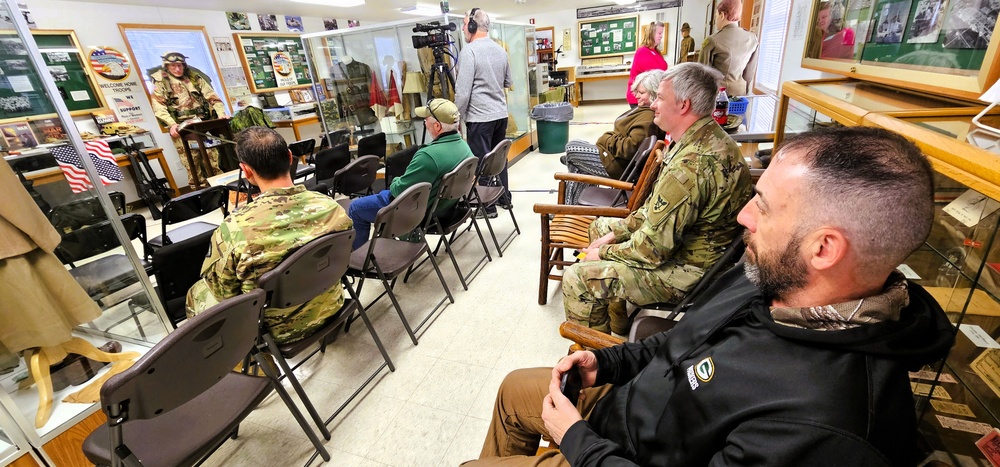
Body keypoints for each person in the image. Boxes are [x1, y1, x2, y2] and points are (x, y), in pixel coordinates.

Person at [466, 126, 955, 466]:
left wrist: (576, 442)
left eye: (762, 205)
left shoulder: (825, 430)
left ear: (823, 248)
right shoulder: (768, 279)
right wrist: (608, 365)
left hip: (614, 453)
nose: (743, 216)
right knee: (514, 389)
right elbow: (681, 340)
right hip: (621, 408)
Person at [563, 63, 752, 335]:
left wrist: (602, 252)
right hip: (688, 250)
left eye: (660, 98)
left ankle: (598, 363)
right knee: (601, 228)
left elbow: (652, 251)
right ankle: (617, 324)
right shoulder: (701, 138)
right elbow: (652, 210)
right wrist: (614, 235)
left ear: (683, 105)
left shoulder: (692, 165)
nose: (653, 104)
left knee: (577, 279)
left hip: (688, 272)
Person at [185, 127, 352, 345]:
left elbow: (224, 294)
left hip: (276, 332)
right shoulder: (331, 206)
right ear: (290, 157)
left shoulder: (235, 229)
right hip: (332, 306)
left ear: (246, 171)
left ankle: (253, 369)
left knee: (196, 292)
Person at [347, 98, 475, 250]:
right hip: (444, 207)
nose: (424, 123)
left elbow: (399, 191)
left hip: (416, 211)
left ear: (437, 126)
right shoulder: (464, 147)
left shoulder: (428, 156)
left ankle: (359, 258)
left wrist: (395, 180)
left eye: (426, 119)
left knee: (355, 208)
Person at [559, 69, 665, 205]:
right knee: (575, 150)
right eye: (637, 92)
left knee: (572, 149)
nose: (637, 96)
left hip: (617, 165)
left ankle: (568, 207)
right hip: (614, 158)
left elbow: (630, 148)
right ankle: (570, 207)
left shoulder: (647, 117)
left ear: (654, 92)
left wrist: (607, 138)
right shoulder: (645, 110)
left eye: (642, 93)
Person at [455, 7, 512, 218]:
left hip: (480, 118)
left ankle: (487, 207)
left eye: (464, 24)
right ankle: (505, 197)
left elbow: (462, 94)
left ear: (472, 26)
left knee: (481, 163)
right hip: (500, 115)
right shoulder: (501, 50)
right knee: (499, 159)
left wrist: (456, 119)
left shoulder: (468, 52)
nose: (462, 28)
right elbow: (508, 82)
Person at [150, 51, 229, 190]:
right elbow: (158, 107)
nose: (177, 69)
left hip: (203, 124)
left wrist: (221, 114)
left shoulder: (194, 77)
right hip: (182, 127)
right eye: (173, 66)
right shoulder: (161, 81)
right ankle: (200, 193)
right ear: (167, 67)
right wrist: (172, 124)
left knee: (213, 160)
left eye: (180, 65)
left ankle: (222, 190)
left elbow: (213, 98)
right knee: (192, 163)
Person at [699, 0, 759, 96]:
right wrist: (745, 92)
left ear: (722, 15)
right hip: (740, 93)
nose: (715, 21)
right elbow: (749, 74)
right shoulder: (752, 39)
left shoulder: (713, 40)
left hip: (717, 94)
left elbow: (702, 75)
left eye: (716, 16)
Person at [626, 21, 667, 109]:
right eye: (659, 33)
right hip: (640, 98)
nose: (661, 36)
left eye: (662, 33)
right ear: (651, 33)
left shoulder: (656, 52)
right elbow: (655, 76)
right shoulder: (643, 52)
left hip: (651, 96)